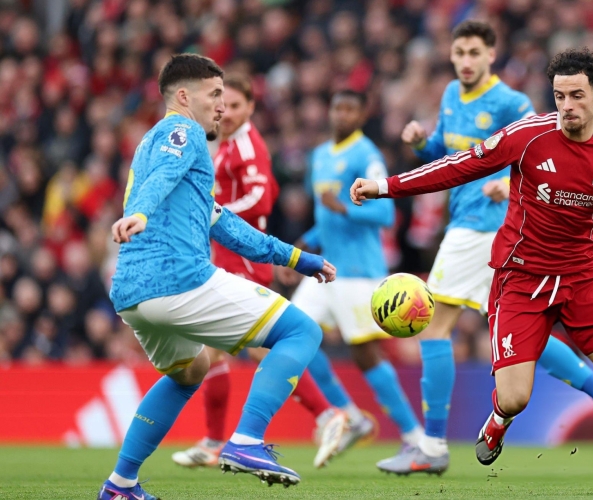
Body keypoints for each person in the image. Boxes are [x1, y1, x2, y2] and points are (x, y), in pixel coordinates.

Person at [351, 48, 593, 495]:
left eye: (577, 95)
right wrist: (386, 187)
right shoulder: (529, 135)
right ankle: (498, 421)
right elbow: (458, 167)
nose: (567, 106)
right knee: (515, 397)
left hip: (582, 278)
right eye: (559, 96)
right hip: (520, 278)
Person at [98, 54, 336, 500]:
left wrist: (298, 258)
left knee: (192, 371)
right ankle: (246, 440)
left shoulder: (152, 145)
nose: (221, 107)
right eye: (214, 96)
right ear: (184, 97)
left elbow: (224, 224)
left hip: (132, 294)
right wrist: (140, 213)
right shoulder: (182, 132)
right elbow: (162, 180)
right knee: (300, 330)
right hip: (177, 279)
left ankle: (120, 485)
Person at [378, 21, 593, 475]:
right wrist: (422, 142)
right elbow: (450, 156)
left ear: (490, 56)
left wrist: (507, 188)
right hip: (477, 229)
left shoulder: (512, 103)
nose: (465, 60)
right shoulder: (450, 95)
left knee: (433, 327)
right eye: (458, 52)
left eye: (473, 52)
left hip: (483, 228)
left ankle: (432, 445)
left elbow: (539, 156)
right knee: (523, 336)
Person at [170, 73, 347, 471]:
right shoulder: (225, 145)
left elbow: (261, 196)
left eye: (235, 106)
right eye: (223, 105)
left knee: (259, 346)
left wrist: (213, 212)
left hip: (244, 260)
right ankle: (217, 439)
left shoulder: (248, 146)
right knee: (215, 348)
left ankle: (326, 414)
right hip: (224, 256)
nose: (227, 113)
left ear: (250, 107)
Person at [279, 89, 425, 460]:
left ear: (361, 115)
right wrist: (300, 247)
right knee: (291, 336)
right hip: (325, 268)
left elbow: (385, 215)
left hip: (358, 272)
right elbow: (324, 219)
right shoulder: (320, 155)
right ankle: (351, 416)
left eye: (350, 109)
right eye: (337, 107)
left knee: (365, 355)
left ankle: (414, 436)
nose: (341, 114)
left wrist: (343, 208)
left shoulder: (366, 155)